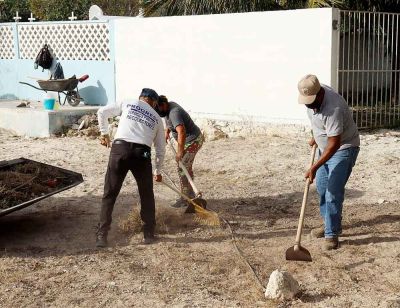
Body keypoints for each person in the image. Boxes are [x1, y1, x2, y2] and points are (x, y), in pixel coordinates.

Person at [96, 88, 166, 247]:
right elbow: (161, 148)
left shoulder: (128, 102)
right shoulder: (156, 117)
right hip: (143, 154)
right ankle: (148, 234)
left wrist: (104, 133)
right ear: (154, 102)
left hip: (119, 149)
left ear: (140, 97)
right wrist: (157, 170)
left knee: (110, 193)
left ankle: (101, 235)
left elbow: (102, 112)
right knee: (146, 194)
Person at [298, 74, 360, 250]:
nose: (308, 105)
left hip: (343, 148)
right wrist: (315, 136)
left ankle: (331, 234)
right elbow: (317, 120)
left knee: (333, 191)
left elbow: (334, 145)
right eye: (305, 101)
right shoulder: (313, 92)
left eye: (311, 101)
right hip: (324, 147)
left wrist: (314, 167)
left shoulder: (334, 108)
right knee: (322, 188)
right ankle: (329, 224)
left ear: (319, 94)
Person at [156, 95, 204, 213]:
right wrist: (167, 131)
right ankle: (191, 194)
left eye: (158, 109)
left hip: (192, 141)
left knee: (182, 168)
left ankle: (185, 198)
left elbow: (181, 131)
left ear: (164, 105)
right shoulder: (167, 108)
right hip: (188, 141)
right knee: (185, 168)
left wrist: (180, 151)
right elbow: (168, 122)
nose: (158, 112)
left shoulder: (174, 112)